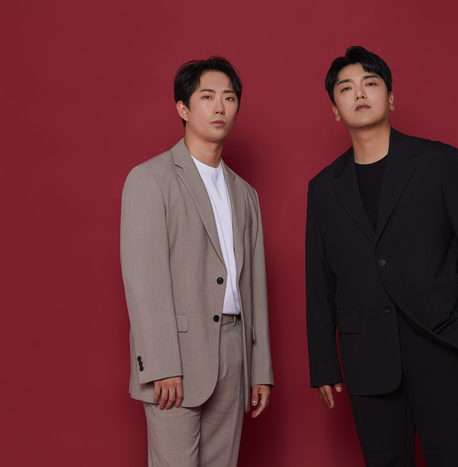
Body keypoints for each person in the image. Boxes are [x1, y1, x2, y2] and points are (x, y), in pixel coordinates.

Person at [305, 46, 458, 467]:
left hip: (441, 343)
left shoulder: (438, 162)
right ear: (335, 109)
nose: (359, 93)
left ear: (390, 98)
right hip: (366, 354)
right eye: (346, 88)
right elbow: (319, 280)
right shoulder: (323, 188)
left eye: (370, 83)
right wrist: (324, 363)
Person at [120, 57, 273, 467]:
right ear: (183, 109)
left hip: (233, 354)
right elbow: (144, 279)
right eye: (207, 96)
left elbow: (254, 285)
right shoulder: (150, 179)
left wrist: (259, 369)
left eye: (229, 97)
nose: (220, 106)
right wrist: (161, 365)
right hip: (176, 359)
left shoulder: (246, 194)